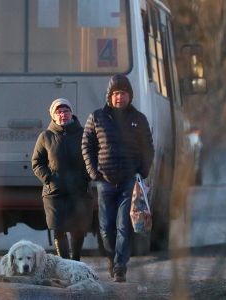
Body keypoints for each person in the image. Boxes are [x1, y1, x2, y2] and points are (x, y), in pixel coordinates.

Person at [81, 74, 154, 282]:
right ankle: (112, 259)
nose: (119, 97)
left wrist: (142, 172)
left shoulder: (139, 119)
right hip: (104, 182)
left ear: (129, 96)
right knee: (105, 228)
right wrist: (93, 172)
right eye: (115, 94)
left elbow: (148, 148)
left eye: (123, 93)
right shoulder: (96, 117)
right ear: (109, 97)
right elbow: (87, 146)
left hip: (129, 182)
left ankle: (120, 267)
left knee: (124, 225)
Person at [32, 98, 93, 261]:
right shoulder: (45, 136)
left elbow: (92, 158)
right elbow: (37, 162)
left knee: (78, 228)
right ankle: (64, 263)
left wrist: (86, 177)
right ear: (53, 116)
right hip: (54, 191)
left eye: (66, 111)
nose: (63, 115)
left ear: (71, 113)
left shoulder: (83, 134)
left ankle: (76, 261)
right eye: (59, 112)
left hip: (79, 190)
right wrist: (48, 179)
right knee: (58, 228)